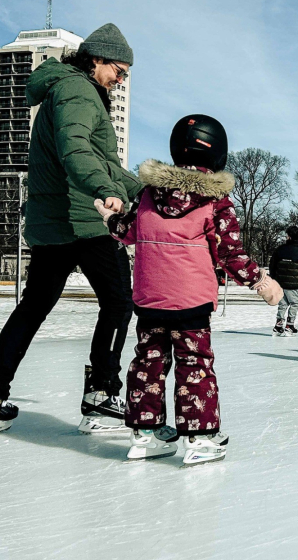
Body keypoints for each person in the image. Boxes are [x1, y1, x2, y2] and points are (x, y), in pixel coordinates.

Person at [0, 23, 142, 437]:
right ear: (96, 59)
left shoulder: (66, 89)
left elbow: (108, 164)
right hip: (84, 219)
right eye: (118, 71)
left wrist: (149, 190)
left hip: (52, 224)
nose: (120, 80)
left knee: (34, 306)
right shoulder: (79, 91)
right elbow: (75, 150)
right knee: (119, 303)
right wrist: (104, 190)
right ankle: (101, 393)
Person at [96, 114, 283, 465]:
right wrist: (259, 280)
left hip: (150, 299)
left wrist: (109, 218)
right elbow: (230, 252)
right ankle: (200, 438)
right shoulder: (215, 200)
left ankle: (145, 435)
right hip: (191, 302)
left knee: (148, 363)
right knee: (194, 364)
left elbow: (127, 231)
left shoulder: (148, 195)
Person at [269, 225, 298, 337]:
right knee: (294, 303)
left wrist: (274, 279)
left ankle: (278, 326)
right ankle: (289, 325)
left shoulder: (280, 249)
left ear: (289, 236)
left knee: (282, 304)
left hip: (280, 283)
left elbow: (272, 265)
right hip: (293, 284)